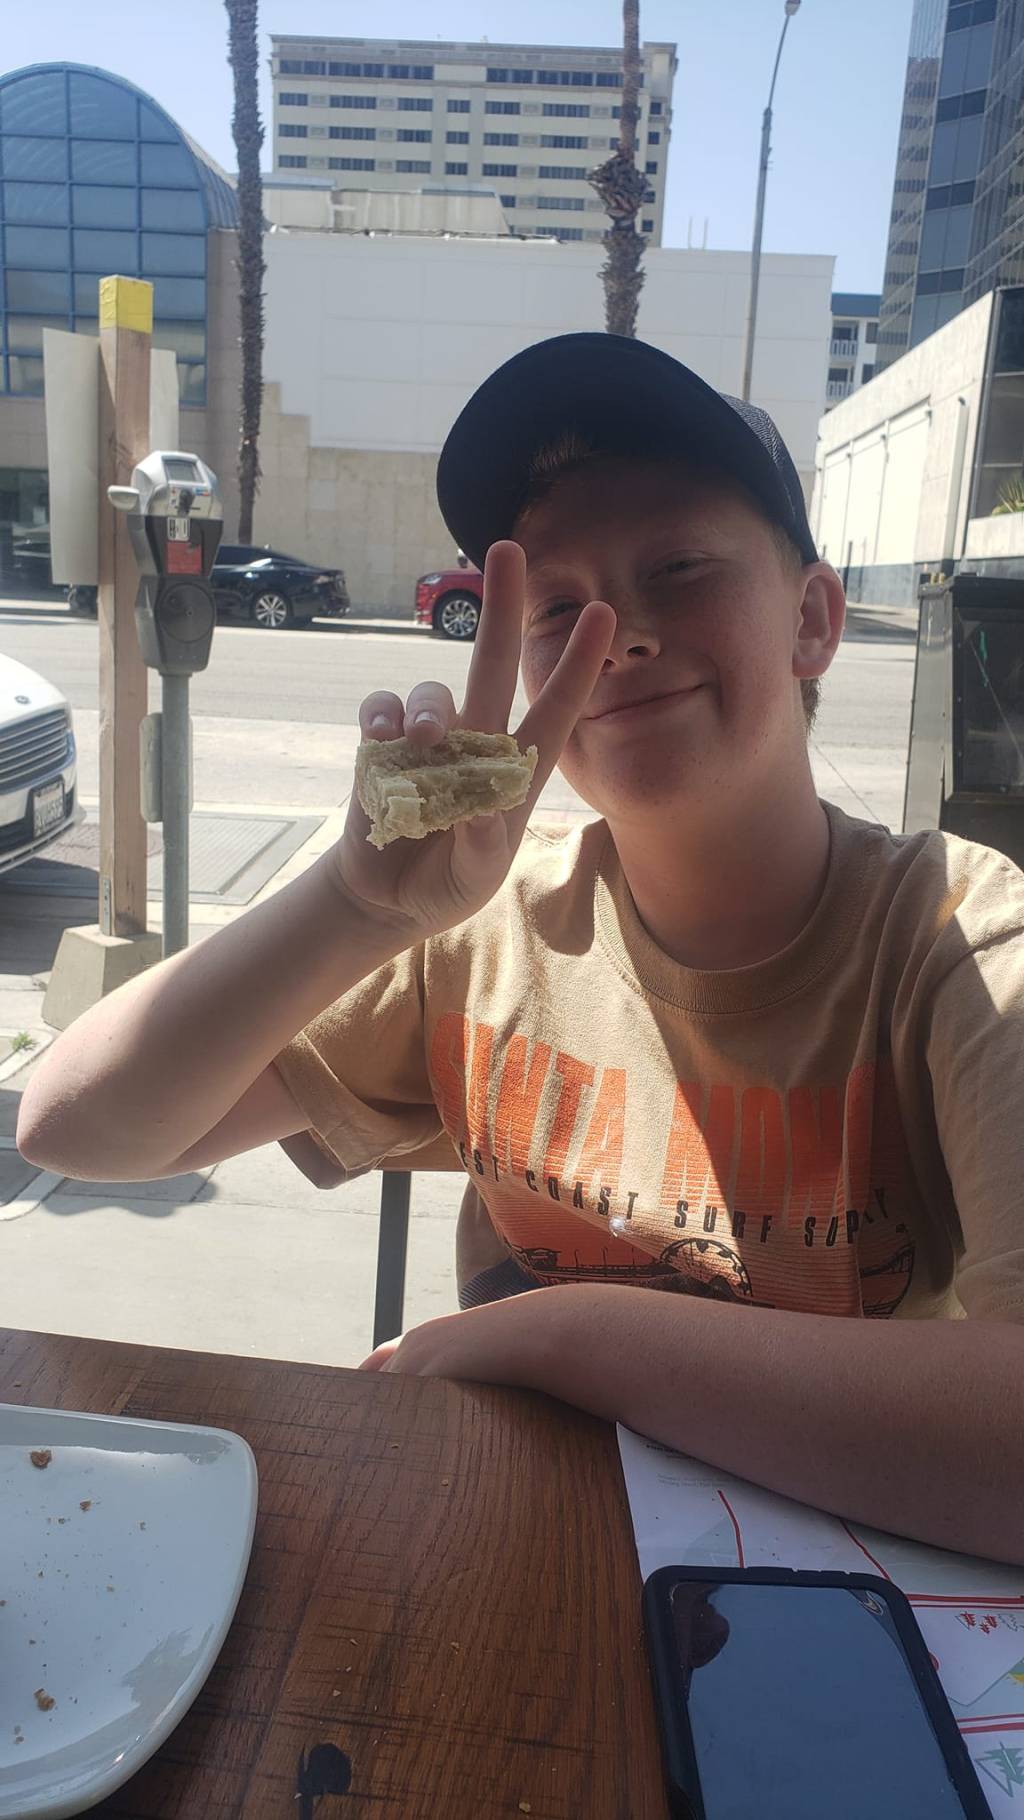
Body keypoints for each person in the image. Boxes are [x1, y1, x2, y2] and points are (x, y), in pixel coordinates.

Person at [18, 334, 1024, 1566]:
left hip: (844, 1596)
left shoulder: (962, 946)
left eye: (679, 567)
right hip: (516, 1558)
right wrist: (355, 905)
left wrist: (562, 1333)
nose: (618, 633)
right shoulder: (479, 923)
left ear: (812, 618)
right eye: (557, 608)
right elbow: (78, 1127)